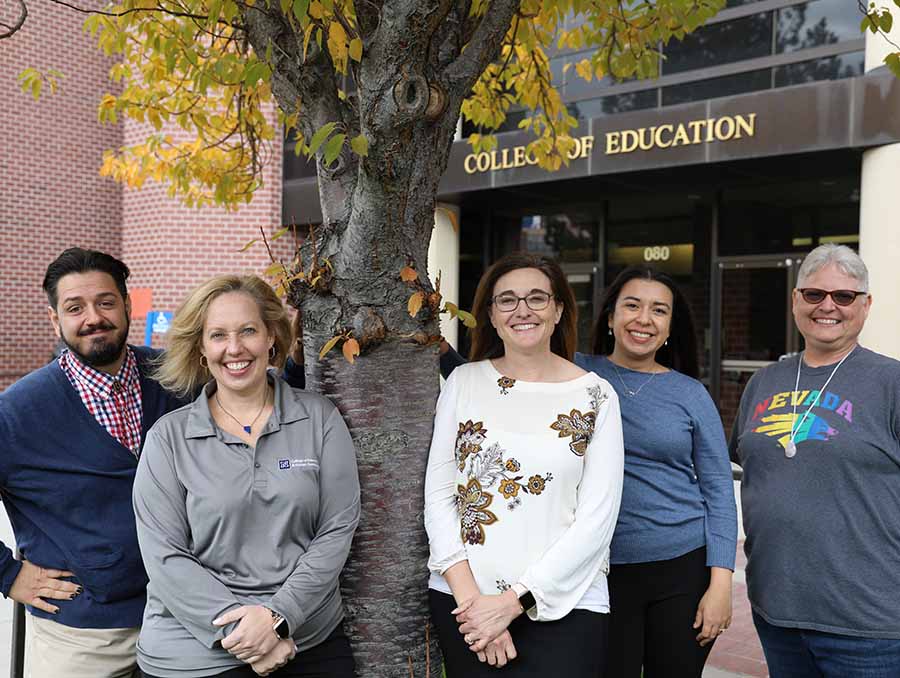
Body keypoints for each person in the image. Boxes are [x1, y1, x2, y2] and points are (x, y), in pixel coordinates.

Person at [133, 274, 360, 678]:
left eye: (248, 331)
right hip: (193, 649)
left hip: (304, 633)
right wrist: (247, 635)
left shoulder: (319, 419)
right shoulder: (168, 438)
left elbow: (336, 529)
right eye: (218, 335)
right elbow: (163, 555)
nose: (234, 348)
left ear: (272, 336)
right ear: (202, 349)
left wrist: (278, 617)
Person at [424, 252, 624, 677]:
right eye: (507, 300)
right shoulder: (463, 382)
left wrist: (513, 602)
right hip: (465, 605)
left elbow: (597, 519)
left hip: (568, 605)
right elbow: (439, 499)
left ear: (558, 310)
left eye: (536, 298)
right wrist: (476, 607)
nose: (523, 310)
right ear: (492, 316)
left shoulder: (597, 396)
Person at [0, 248, 189, 678]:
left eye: (105, 302)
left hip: (185, 618)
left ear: (126, 305)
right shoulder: (17, 413)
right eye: (74, 307)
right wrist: (9, 575)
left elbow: (252, 399)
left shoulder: (174, 377)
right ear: (55, 320)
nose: (93, 317)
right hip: (84, 638)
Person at [730, 244, 900, 678]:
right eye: (814, 294)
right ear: (795, 300)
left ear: (865, 306)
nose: (828, 306)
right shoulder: (763, 382)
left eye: (844, 296)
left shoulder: (891, 383)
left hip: (870, 625)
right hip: (776, 615)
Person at [575, 265, 737, 678]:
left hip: (682, 567)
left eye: (659, 310)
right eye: (632, 305)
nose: (644, 319)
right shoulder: (574, 374)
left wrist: (720, 585)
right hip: (598, 569)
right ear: (610, 316)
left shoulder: (690, 393)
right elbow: (500, 382)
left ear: (669, 327)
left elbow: (719, 489)